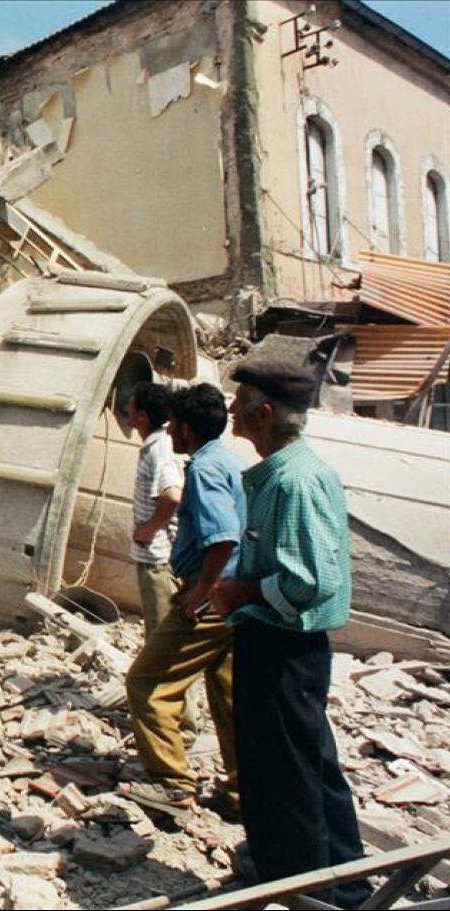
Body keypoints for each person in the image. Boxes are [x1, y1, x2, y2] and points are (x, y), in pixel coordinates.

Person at [210, 360, 372, 907]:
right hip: (286, 646)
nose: (231, 412)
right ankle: (340, 881)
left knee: (286, 774)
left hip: (282, 645)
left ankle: (305, 888)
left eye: (240, 403)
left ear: (263, 413)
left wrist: (242, 593)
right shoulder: (289, 471)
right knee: (308, 764)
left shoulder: (294, 479)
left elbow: (309, 580)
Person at [124, 383, 242, 814]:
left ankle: (173, 784)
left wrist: (201, 592)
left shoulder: (206, 469)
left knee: (147, 682)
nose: (169, 428)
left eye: (174, 422)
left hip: (210, 597)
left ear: (187, 428)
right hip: (234, 599)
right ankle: (241, 792)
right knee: (229, 697)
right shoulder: (230, 462)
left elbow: (223, 536)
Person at [125, 382, 198, 734]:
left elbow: (172, 495)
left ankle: (180, 722)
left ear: (140, 415)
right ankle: (175, 714)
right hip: (155, 556)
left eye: (129, 406)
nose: (125, 411)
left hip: (157, 559)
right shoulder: (156, 445)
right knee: (162, 639)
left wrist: (149, 529)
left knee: (163, 643)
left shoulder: (159, 449)